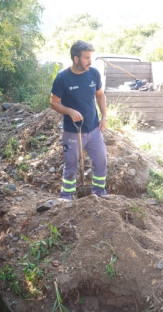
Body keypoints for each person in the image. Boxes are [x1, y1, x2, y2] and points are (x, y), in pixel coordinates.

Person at [50, 40, 108, 200]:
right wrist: (69, 111)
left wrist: (104, 116)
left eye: (90, 57)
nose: (90, 61)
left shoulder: (94, 74)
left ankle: (99, 193)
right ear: (76, 59)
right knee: (71, 164)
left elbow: (100, 95)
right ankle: (66, 195)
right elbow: (53, 103)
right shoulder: (63, 78)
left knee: (101, 160)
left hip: (94, 129)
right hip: (73, 132)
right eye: (86, 58)